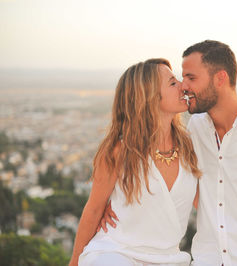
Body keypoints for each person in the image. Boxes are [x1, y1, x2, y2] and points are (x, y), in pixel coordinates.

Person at [101, 41, 237, 266]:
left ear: (220, 79)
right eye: (181, 78)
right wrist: (113, 202)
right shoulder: (195, 129)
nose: (183, 86)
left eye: (191, 78)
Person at [69, 58, 201, 266]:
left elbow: (208, 204)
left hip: (170, 259)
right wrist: (75, 261)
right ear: (149, 96)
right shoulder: (120, 151)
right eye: (173, 83)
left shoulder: (190, 146)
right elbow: (94, 209)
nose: (183, 87)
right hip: (117, 253)